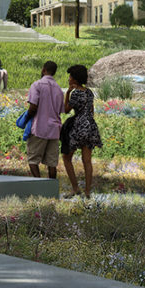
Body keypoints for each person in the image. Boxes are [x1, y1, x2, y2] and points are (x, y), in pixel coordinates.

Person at [60, 64, 102, 199]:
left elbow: (66, 110)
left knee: (66, 157)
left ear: (75, 79)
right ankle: (88, 192)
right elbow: (92, 110)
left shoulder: (75, 93)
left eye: (70, 76)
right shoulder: (89, 92)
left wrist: (67, 94)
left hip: (78, 126)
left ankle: (75, 188)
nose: (68, 79)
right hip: (90, 126)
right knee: (87, 161)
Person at [25, 61, 65, 183]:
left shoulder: (37, 85)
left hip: (39, 127)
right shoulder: (58, 89)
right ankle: (51, 188)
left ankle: (39, 185)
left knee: (33, 160)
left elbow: (33, 107)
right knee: (52, 163)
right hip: (54, 130)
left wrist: (26, 119)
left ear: (43, 70)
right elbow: (61, 110)